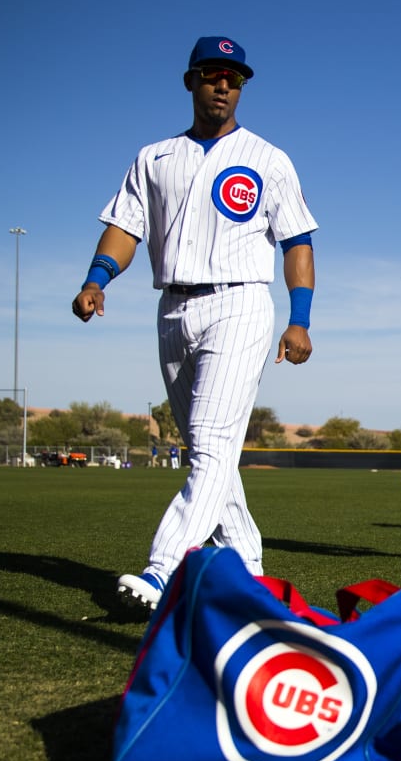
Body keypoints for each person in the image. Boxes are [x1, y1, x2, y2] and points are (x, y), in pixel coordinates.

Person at [73, 37, 320, 609]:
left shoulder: (268, 158)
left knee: (210, 444)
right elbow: (125, 227)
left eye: (235, 77)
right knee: (211, 452)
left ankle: (161, 571)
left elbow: (297, 241)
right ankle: (253, 576)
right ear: (191, 81)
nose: (224, 84)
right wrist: (96, 279)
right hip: (172, 308)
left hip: (240, 302)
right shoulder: (153, 157)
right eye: (213, 73)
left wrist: (299, 318)